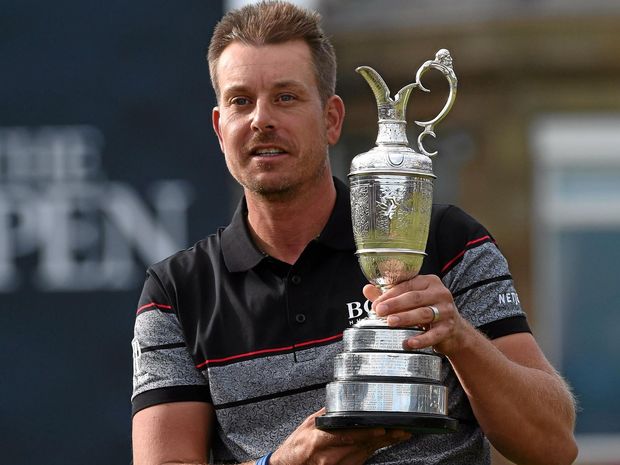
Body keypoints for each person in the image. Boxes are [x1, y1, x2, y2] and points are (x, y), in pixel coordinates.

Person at [131, 2, 578, 464]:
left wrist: (458, 338)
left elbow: (553, 446)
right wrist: (284, 463)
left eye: (286, 97)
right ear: (219, 127)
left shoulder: (446, 240)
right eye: (241, 101)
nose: (261, 119)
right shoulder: (175, 293)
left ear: (332, 119)